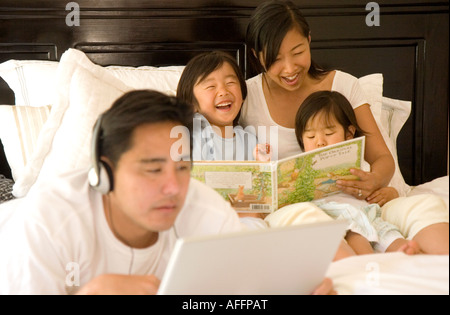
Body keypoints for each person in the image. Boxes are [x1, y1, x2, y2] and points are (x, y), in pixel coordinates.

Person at [0, 90, 334, 295]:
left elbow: (246, 293)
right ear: (105, 172)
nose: (174, 188)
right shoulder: (46, 225)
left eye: (183, 167)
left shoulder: (207, 212)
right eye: (153, 169)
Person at [265, 90, 449, 257]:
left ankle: (407, 252)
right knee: (356, 234)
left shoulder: (358, 163)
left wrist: (388, 193)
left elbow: (380, 191)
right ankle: (371, 262)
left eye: (329, 133)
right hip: (335, 219)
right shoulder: (299, 168)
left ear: (349, 134)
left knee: (389, 235)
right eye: (310, 137)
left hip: (367, 214)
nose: (319, 142)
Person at [241, 0, 394, 198]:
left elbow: (382, 158)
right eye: (275, 59)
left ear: (309, 40)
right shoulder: (244, 96)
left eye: (298, 52)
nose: (289, 69)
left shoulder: (344, 86)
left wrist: (375, 180)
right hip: (282, 212)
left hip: (341, 202)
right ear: (257, 56)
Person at [177, 51, 270, 161]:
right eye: (211, 86)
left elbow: (260, 176)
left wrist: (263, 164)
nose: (223, 92)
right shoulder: (193, 137)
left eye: (230, 83)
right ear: (191, 103)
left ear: (243, 95)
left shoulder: (250, 141)